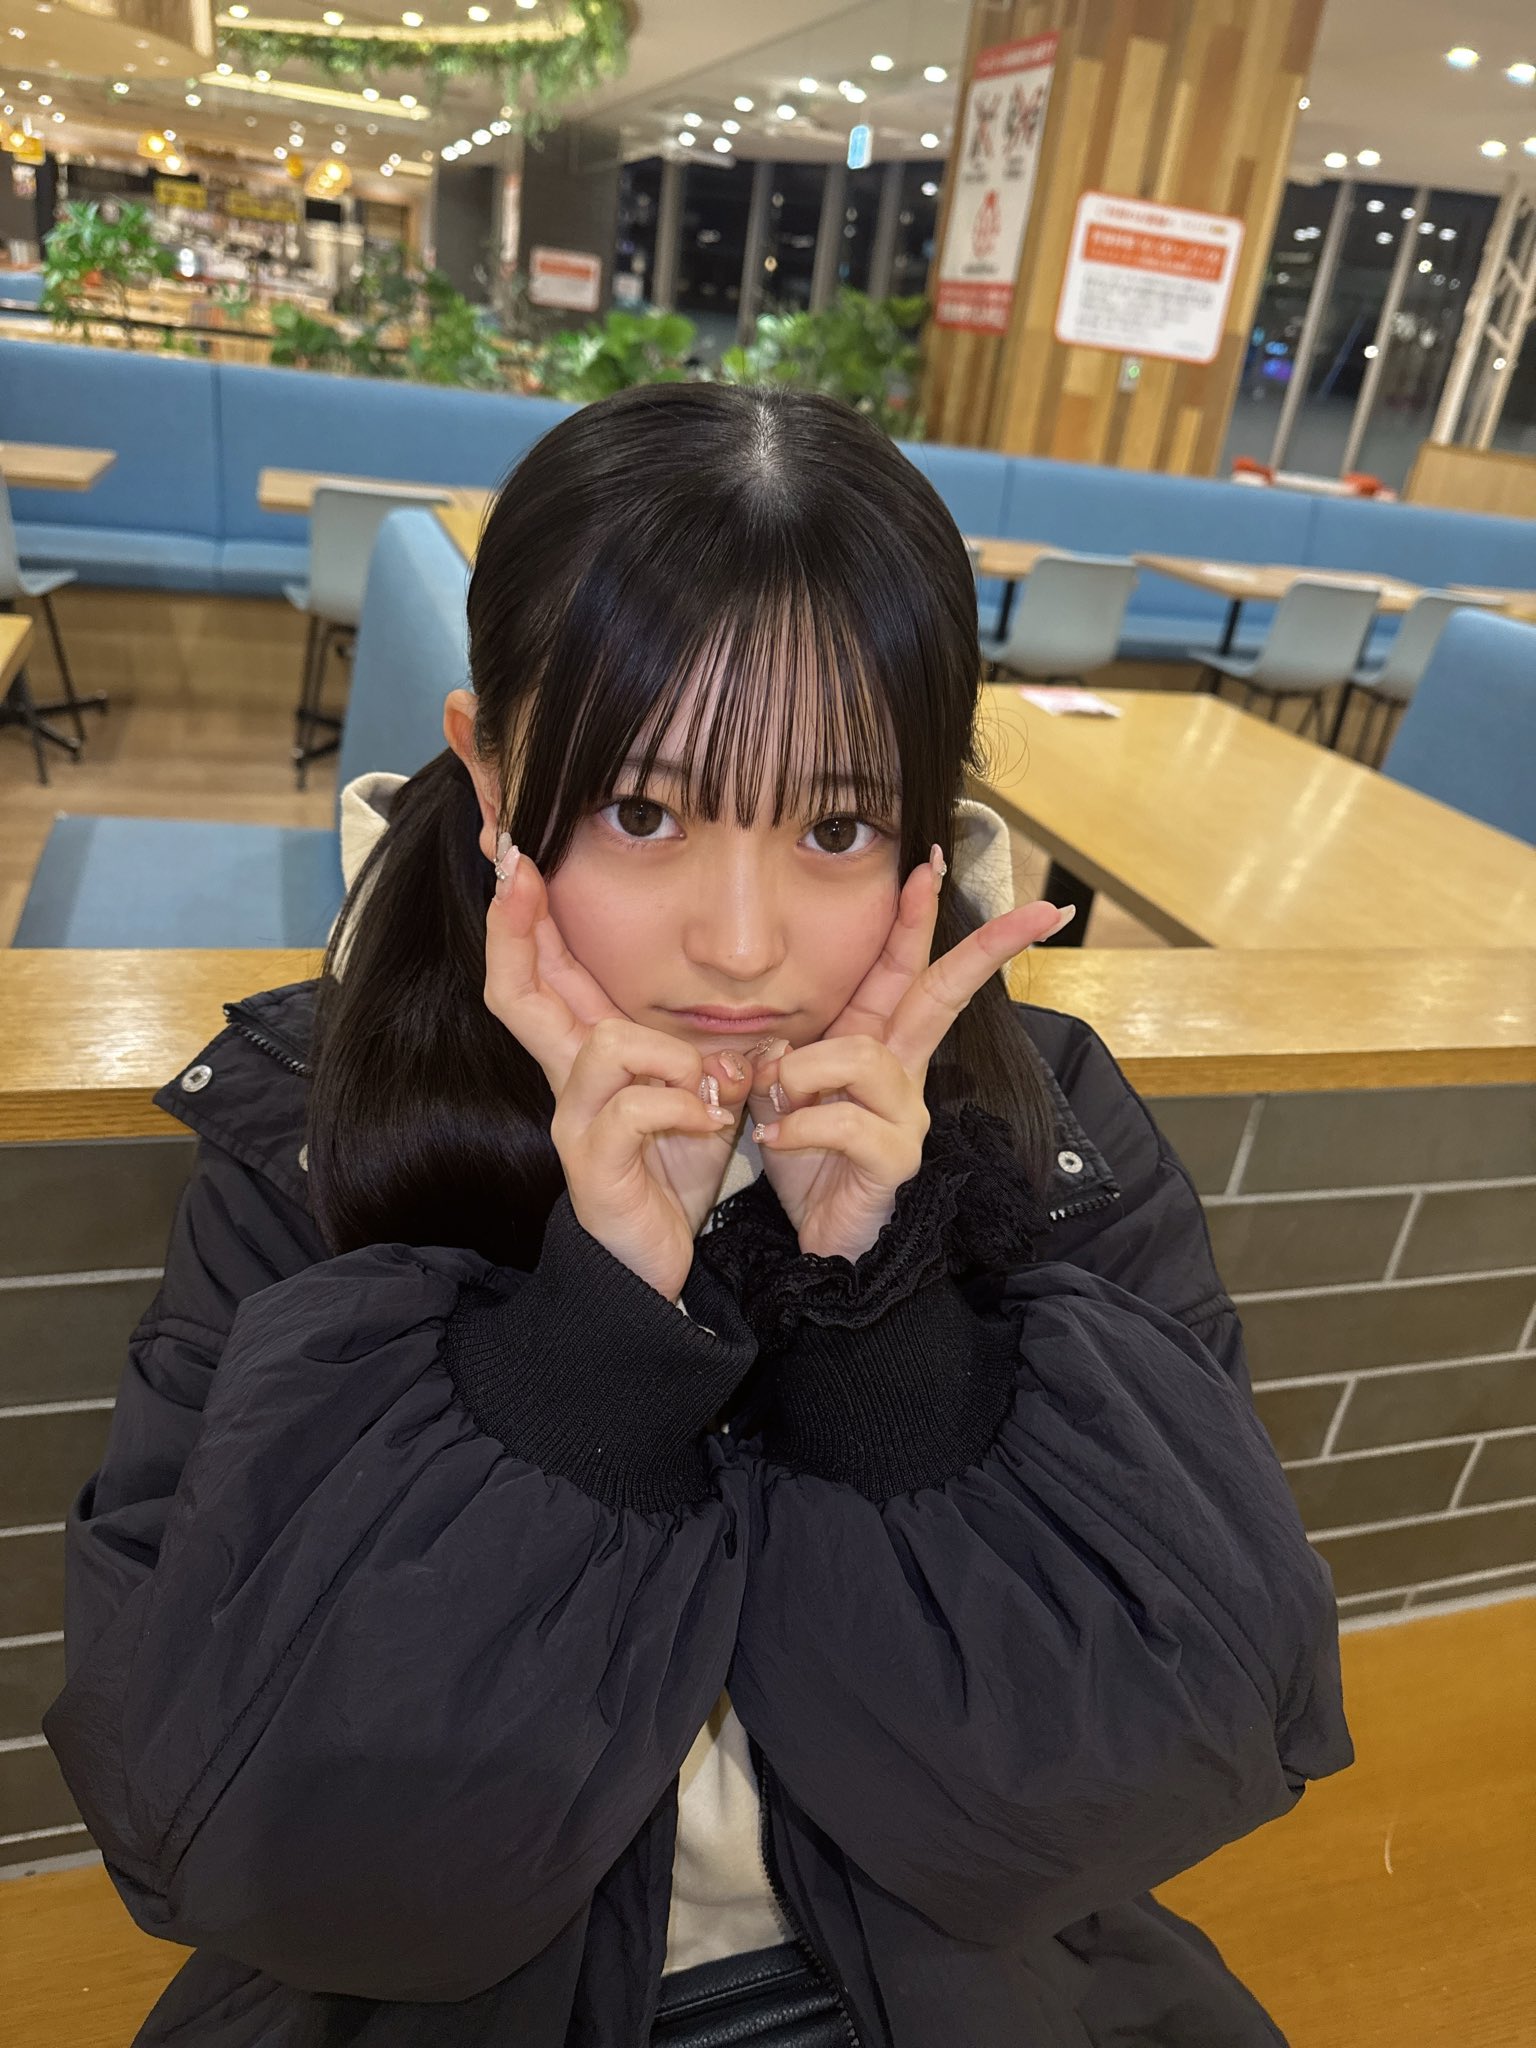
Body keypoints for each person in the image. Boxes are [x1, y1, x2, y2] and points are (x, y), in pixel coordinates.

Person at [44, 384, 1352, 2048]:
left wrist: (882, 1315)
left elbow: (1151, 1779)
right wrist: (589, 1343)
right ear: (490, 769)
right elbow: (253, 1847)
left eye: (836, 826)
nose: (741, 945)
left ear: (927, 823)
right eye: (643, 813)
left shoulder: (1047, 1132)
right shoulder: (314, 1138)